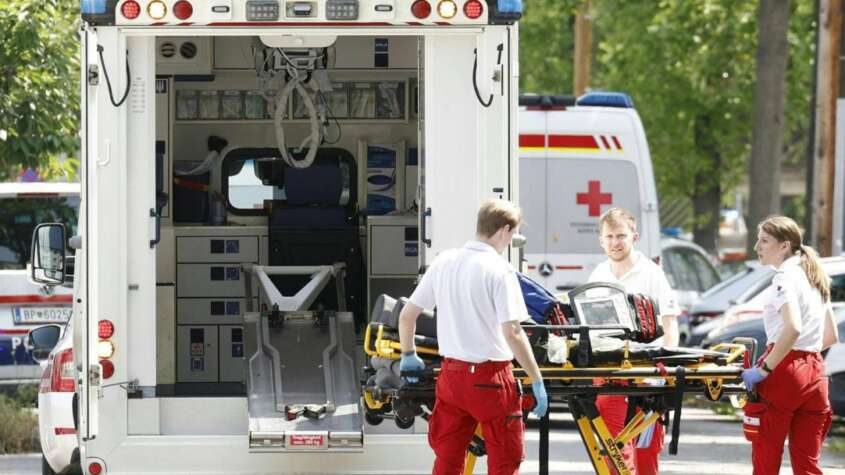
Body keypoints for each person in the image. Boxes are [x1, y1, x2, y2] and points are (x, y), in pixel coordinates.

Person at [397, 198, 548, 475]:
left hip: (451, 379)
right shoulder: (499, 270)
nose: (509, 241)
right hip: (491, 382)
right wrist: (536, 379)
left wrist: (408, 354)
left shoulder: (444, 261)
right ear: (504, 230)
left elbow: (407, 316)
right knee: (504, 461)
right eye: (512, 235)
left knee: (448, 459)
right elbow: (513, 332)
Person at [741, 215, 839, 475]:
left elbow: (792, 327)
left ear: (784, 245)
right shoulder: (814, 276)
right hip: (816, 371)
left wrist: (764, 369)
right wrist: (806, 361)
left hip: (784, 369)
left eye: (764, 241)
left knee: (766, 458)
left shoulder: (784, 278)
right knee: (808, 464)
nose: (757, 247)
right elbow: (830, 336)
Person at [587, 207, 681, 475]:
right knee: (613, 447)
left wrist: (666, 371)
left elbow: (669, 324)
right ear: (601, 240)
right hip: (610, 370)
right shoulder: (599, 275)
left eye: (621, 236)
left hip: (647, 371)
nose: (615, 242)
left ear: (634, 237)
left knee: (646, 450)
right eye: (609, 237)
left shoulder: (651, 273)